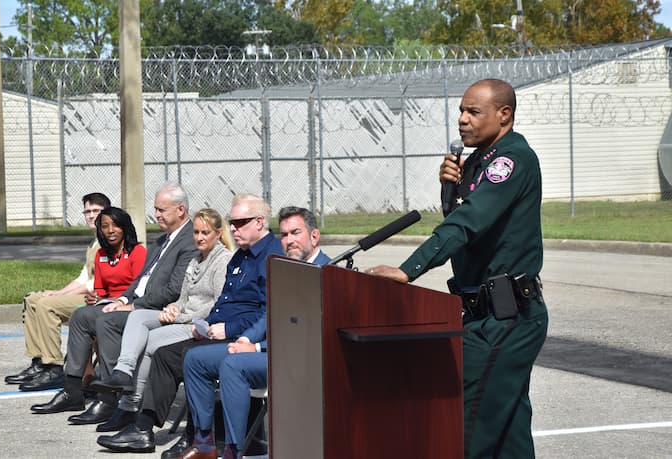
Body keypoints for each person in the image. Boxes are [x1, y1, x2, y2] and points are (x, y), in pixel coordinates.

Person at [367, 79, 548, 458]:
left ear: (504, 115)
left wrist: (408, 270)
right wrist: (451, 187)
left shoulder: (510, 160)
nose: (462, 120)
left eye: (473, 112)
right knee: (508, 437)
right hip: (483, 315)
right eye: (461, 111)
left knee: (467, 433)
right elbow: (468, 225)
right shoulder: (480, 161)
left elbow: (466, 223)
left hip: (504, 318)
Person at [95, 193, 283, 456]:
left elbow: (269, 311)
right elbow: (222, 302)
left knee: (185, 356)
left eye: (240, 222)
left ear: (260, 222)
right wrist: (206, 323)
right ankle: (145, 427)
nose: (233, 228)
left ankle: (195, 437)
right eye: (232, 222)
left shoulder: (271, 257)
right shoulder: (242, 255)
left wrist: (228, 330)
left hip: (243, 339)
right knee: (164, 354)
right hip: (213, 329)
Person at [30, 183, 199, 428]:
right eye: (156, 209)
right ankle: (73, 390)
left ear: (181, 209)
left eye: (162, 210)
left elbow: (174, 289)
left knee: (106, 320)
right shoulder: (162, 240)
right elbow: (142, 279)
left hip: (159, 309)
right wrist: (121, 299)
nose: (157, 214)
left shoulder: (189, 240)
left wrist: (133, 306)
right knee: (83, 316)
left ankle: (110, 398)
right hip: (136, 302)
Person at [182, 206, 330, 459]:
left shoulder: (327, 273)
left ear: (314, 236)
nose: (289, 240)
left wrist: (258, 348)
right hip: (274, 350)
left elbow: (309, 333)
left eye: (296, 232)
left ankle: (234, 450)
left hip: (304, 358)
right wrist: (246, 338)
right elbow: (268, 314)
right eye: (283, 235)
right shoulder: (287, 268)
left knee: (233, 365)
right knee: (195, 360)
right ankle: (205, 443)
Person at [89, 208, 234, 433]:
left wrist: (181, 315)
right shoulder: (196, 259)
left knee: (151, 341)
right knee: (137, 316)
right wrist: (172, 308)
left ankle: (131, 405)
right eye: (196, 232)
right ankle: (123, 371)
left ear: (218, 233)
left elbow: (216, 304)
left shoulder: (222, 260)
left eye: (205, 232)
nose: (199, 237)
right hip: (182, 315)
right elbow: (184, 297)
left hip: (197, 324)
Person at [4, 192, 111, 392]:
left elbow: (93, 283)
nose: (91, 215)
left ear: (107, 212)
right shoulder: (94, 241)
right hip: (87, 291)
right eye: (87, 211)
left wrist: (58, 296)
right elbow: (82, 277)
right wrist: (58, 292)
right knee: (33, 299)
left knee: (46, 305)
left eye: (96, 211)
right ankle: (40, 361)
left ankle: (53, 367)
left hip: (98, 299)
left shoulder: (108, 239)